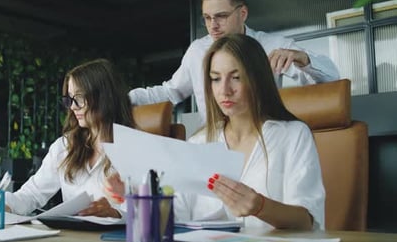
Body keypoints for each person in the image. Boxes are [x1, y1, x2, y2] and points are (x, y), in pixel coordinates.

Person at [107, 34, 325, 230]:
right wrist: (136, 194)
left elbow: (308, 220)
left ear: (258, 79)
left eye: (236, 77)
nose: (224, 90)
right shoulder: (199, 142)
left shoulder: (294, 135)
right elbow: (176, 215)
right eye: (216, 78)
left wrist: (260, 207)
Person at [129, 0, 339, 123]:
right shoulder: (197, 51)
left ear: (243, 13)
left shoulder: (271, 45)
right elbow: (170, 92)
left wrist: (302, 58)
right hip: (215, 146)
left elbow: (332, 78)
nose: (213, 25)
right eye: (207, 18)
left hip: (262, 142)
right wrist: (123, 99)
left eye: (221, 16)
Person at [5, 58, 136, 218]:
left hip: (114, 240)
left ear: (103, 98)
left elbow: (150, 209)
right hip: (72, 239)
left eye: (79, 98)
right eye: (70, 99)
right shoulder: (65, 146)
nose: (73, 106)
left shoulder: (135, 148)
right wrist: (2, 204)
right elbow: (32, 194)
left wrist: (115, 213)